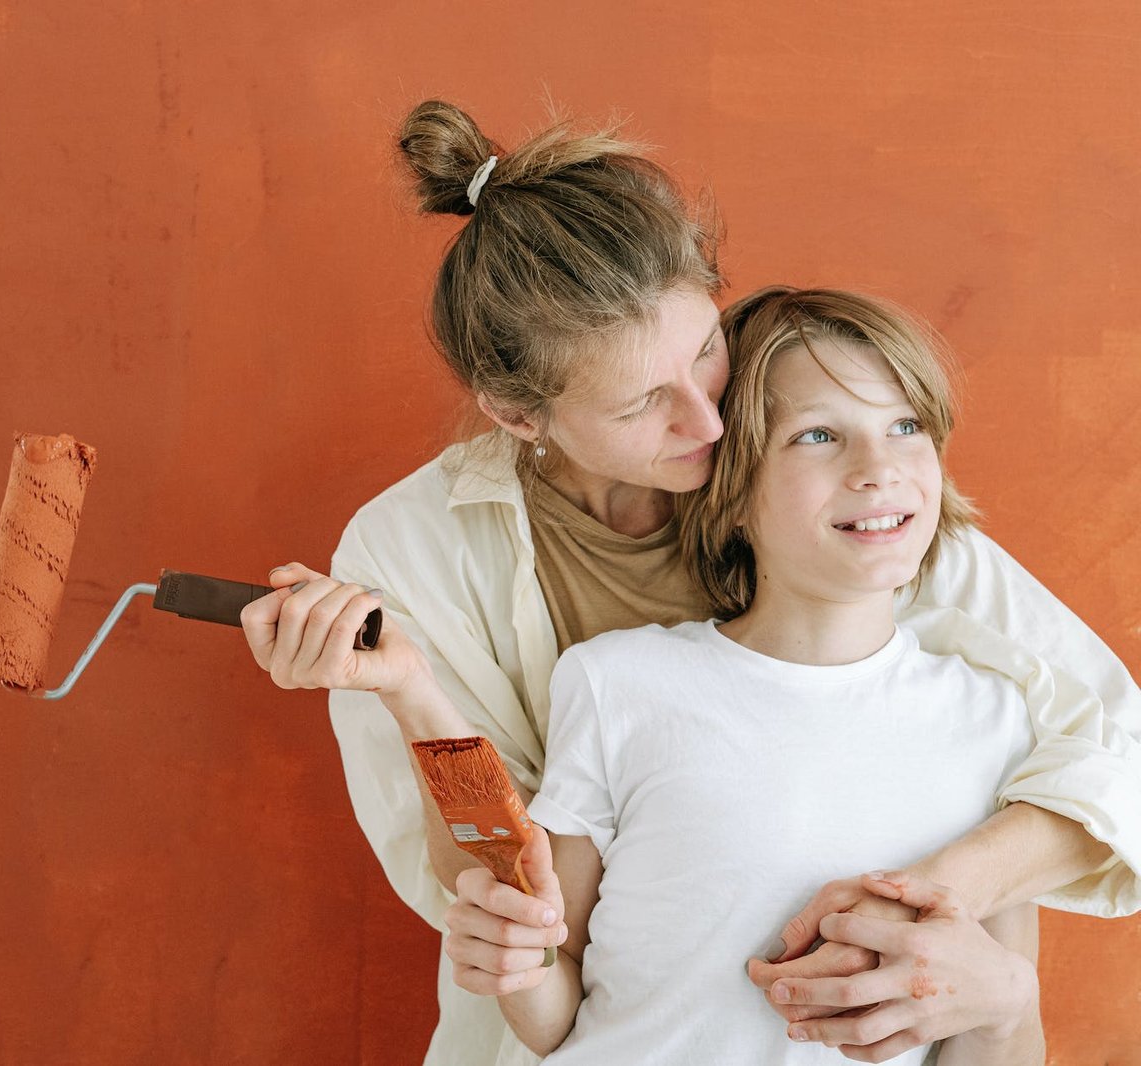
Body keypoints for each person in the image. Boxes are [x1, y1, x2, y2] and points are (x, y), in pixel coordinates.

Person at [241, 101, 1141, 1065]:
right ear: (517, 414)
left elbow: (1112, 749)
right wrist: (413, 695)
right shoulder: (415, 550)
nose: (712, 426)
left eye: (705, 347)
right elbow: (506, 912)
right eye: (641, 403)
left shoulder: (843, 475)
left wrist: (949, 902)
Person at [454, 285, 1075, 1064]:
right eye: (819, 435)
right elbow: (557, 1010)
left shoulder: (995, 719)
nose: (878, 468)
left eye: (906, 427)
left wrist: (1003, 1004)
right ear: (736, 489)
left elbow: (998, 1035)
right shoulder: (616, 684)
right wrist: (516, 960)